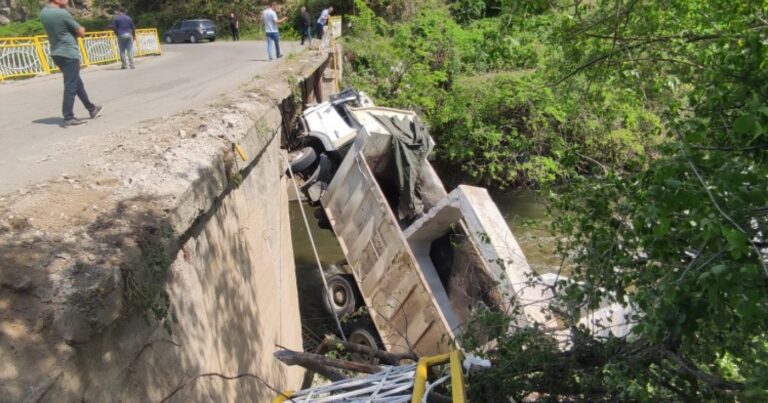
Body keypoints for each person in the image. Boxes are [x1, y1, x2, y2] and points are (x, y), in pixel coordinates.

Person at [40, 0, 103, 126]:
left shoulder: (44, 13)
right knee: (71, 85)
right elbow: (81, 32)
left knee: (76, 83)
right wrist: (81, 29)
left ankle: (91, 109)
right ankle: (68, 116)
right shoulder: (62, 13)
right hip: (68, 53)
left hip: (56, 53)